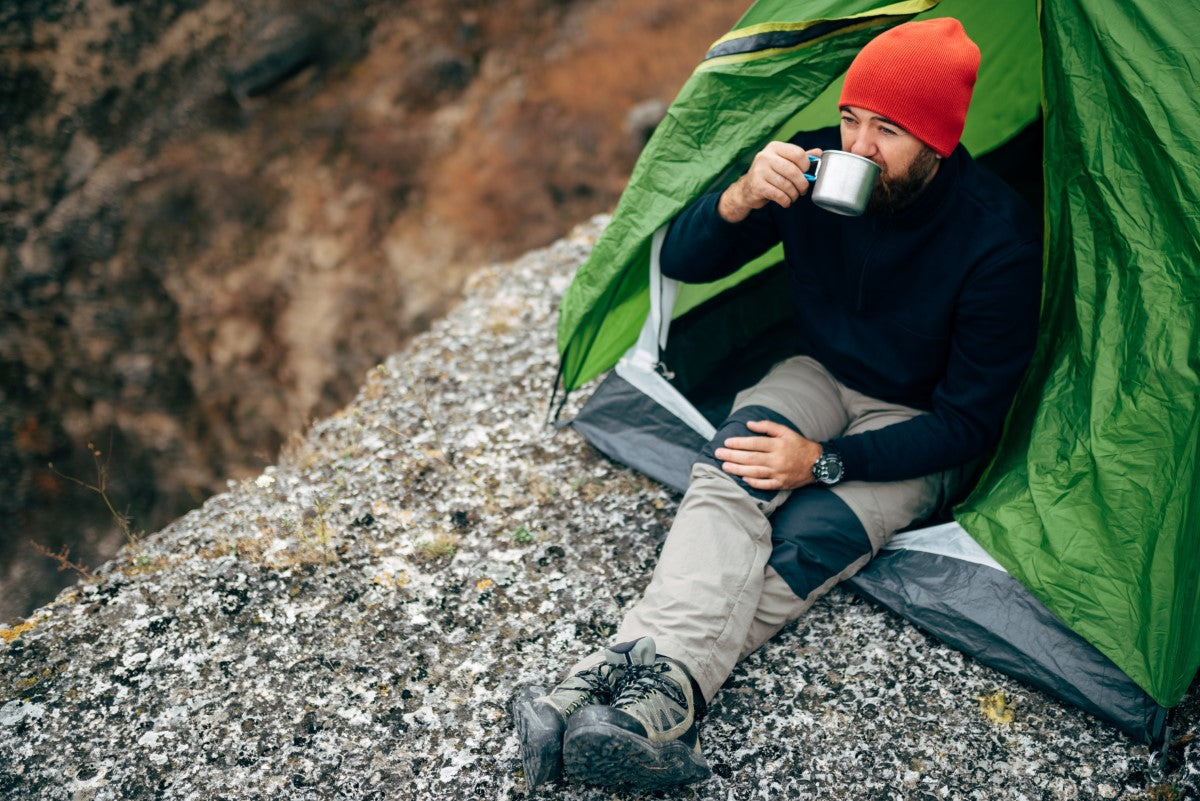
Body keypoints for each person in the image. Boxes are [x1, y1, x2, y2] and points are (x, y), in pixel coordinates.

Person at [514, 17, 1042, 792]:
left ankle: (601, 691)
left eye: (887, 130)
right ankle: (637, 707)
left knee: (804, 537)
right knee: (728, 478)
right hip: (819, 373)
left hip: (915, 424)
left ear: (936, 138)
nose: (856, 145)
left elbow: (967, 424)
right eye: (852, 116)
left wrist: (825, 463)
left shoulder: (997, 243)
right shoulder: (810, 164)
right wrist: (738, 197)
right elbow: (687, 260)